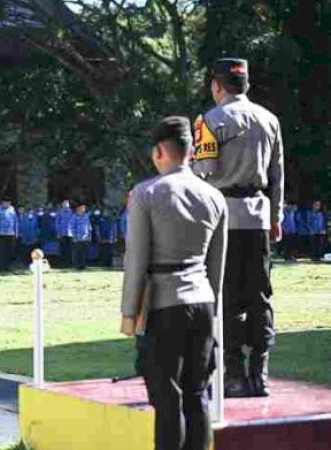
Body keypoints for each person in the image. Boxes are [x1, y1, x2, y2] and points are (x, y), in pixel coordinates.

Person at [121, 116, 228, 450]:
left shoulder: (145, 194)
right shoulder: (214, 196)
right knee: (196, 395)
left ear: (158, 152)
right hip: (203, 301)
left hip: (164, 303)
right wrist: (214, 310)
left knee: (167, 401)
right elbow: (217, 264)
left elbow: (136, 258)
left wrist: (128, 314)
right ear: (191, 150)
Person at [192, 58, 284, 397]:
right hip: (258, 216)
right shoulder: (269, 119)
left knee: (225, 297)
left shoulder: (208, 121)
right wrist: (276, 217)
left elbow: (203, 172)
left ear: (217, 86)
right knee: (260, 296)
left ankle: (231, 374)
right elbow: (277, 175)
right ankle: (260, 374)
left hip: (222, 220)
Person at [0, 198, 18, 272]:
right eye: (5, 202)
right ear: (2, 203)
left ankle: (8, 266)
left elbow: (15, 221)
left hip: (10, 233)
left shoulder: (12, 209)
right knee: (2, 251)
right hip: (1, 233)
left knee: (9, 251)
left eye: (8, 203)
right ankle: (1, 267)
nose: (7, 204)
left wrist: (16, 231)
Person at [71, 203, 91, 270]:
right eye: (82, 208)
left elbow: (88, 225)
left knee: (84, 252)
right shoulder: (74, 216)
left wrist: (89, 235)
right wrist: (74, 236)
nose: (84, 209)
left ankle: (83, 265)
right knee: (77, 252)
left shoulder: (86, 216)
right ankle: (76, 265)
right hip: (77, 237)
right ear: (78, 208)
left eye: (84, 208)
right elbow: (72, 227)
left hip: (85, 237)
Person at [56, 200, 74, 268]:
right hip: (62, 233)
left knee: (70, 248)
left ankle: (69, 262)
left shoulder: (71, 212)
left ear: (69, 205)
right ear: (62, 205)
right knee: (62, 248)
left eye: (67, 204)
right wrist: (58, 232)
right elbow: (57, 223)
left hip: (70, 233)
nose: (66, 205)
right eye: (64, 204)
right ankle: (62, 263)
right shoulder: (59, 213)